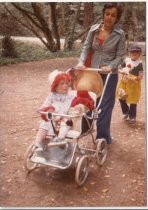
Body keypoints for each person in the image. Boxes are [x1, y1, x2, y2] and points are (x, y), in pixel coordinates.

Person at [75, 3, 126, 144]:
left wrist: (110, 66)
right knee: (89, 100)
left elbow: (121, 56)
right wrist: (81, 62)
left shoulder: (120, 35)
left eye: (113, 15)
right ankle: (86, 129)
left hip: (109, 74)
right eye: (107, 13)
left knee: (105, 105)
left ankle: (102, 137)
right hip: (92, 71)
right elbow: (86, 48)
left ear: (117, 18)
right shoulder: (94, 29)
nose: (109, 17)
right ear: (103, 14)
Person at [34, 69, 75, 151]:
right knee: (45, 123)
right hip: (53, 116)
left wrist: (60, 116)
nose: (65, 86)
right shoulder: (52, 95)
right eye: (62, 84)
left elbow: (66, 107)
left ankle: (60, 139)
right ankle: (38, 141)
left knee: (65, 124)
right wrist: (42, 109)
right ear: (55, 86)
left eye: (67, 83)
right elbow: (47, 103)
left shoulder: (69, 96)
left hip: (64, 116)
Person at [116, 43, 144, 124]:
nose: (134, 54)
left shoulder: (139, 64)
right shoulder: (126, 60)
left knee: (133, 100)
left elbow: (141, 76)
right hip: (124, 82)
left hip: (134, 84)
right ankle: (126, 112)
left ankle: (132, 116)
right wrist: (122, 71)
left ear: (139, 54)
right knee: (121, 97)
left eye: (136, 52)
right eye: (132, 52)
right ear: (130, 53)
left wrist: (134, 77)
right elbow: (119, 68)